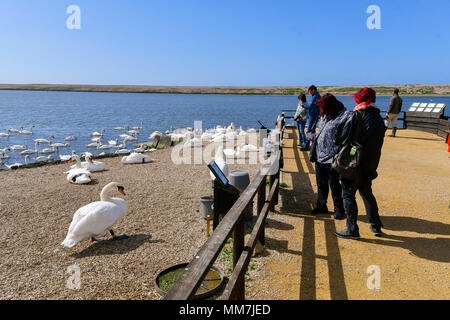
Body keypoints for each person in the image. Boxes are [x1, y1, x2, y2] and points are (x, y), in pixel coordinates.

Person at [334, 87, 386, 240]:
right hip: (371, 162)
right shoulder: (378, 117)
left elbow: (345, 138)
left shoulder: (357, 115)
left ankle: (352, 229)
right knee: (366, 192)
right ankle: (375, 225)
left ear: (359, 99)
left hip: (355, 162)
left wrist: (347, 152)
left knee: (348, 193)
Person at [309, 94, 348, 218]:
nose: (320, 109)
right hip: (320, 156)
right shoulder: (324, 117)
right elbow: (322, 133)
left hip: (332, 159)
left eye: (322, 106)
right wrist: (314, 137)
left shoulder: (342, 117)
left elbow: (344, 138)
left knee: (335, 185)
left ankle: (339, 210)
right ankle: (321, 205)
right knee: (321, 184)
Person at [299, 85, 321, 151]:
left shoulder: (315, 97)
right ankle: (313, 145)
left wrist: (303, 105)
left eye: (310, 91)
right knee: (312, 131)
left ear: (313, 90)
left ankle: (307, 146)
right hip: (314, 116)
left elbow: (310, 106)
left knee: (309, 131)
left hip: (313, 116)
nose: (310, 93)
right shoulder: (317, 96)